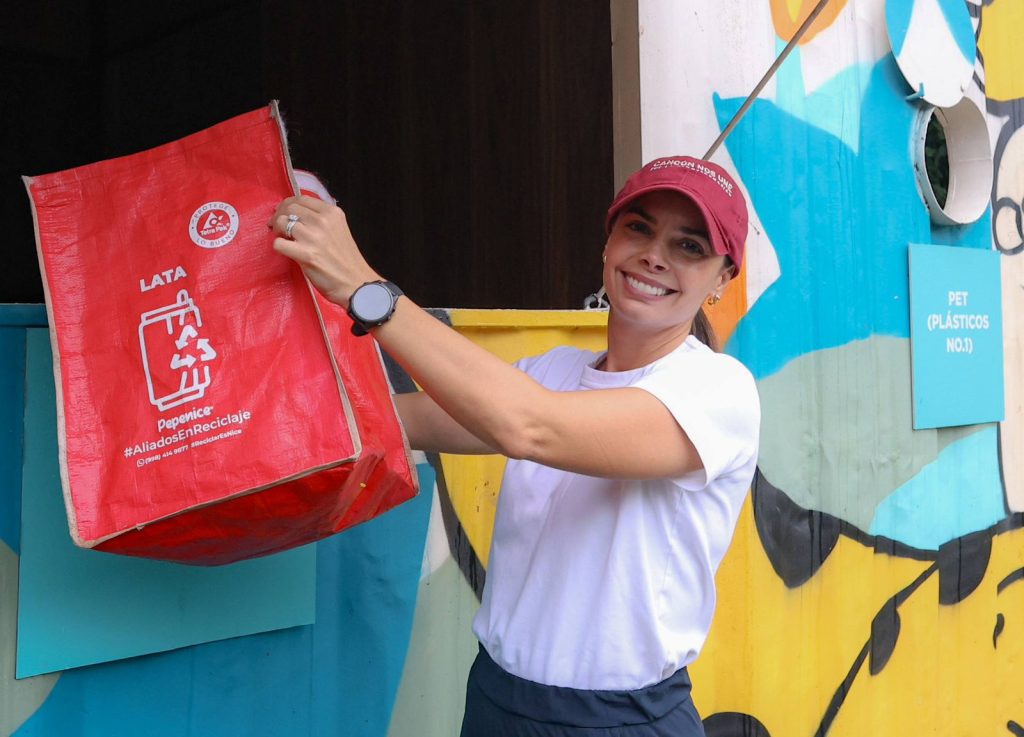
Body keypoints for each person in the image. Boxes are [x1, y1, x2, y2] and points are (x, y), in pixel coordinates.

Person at [270, 155, 760, 736]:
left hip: (619, 721)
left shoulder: (717, 391)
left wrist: (364, 290)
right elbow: (398, 421)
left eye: (690, 247)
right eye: (639, 227)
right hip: (499, 701)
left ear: (720, 280)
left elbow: (528, 426)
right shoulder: (552, 371)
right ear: (608, 241)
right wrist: (234, 407)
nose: (655, 255)